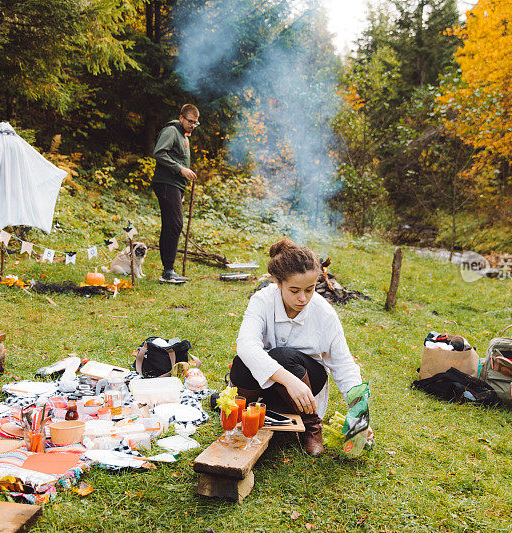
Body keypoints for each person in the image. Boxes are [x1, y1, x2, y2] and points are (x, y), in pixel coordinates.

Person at [229, 238, 365, 456]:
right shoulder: (262, 301)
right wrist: (288, 379)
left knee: (283, 355)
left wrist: (359, 412)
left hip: (306, 389)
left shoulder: (324, 313)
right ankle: (245, 418)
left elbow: (344, 364)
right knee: (244, 361)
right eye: (294, 290)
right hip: (270, 387)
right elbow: (246, 345)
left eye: (310, 290)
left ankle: (312, 428)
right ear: (278, 283)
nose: (303, 298)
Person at [151, 104, 200, 282]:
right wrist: (180, 169)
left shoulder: (184, 135)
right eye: (190, 121)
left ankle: (167, 270)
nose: (193, 125)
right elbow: (159, 153)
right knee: (175, 224)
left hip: (175, 186)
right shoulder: (171, 131)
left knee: (171, 225)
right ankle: (168, 271)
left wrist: (181, 190)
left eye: (195, 123)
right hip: (165, 183)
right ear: (181, 118)